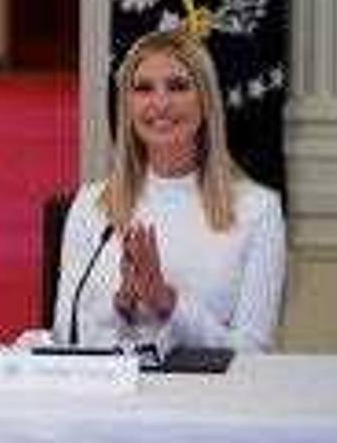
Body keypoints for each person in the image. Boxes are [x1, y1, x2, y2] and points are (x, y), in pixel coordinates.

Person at [51, 28, 285, 353]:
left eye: (177, 87)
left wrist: (169, 304)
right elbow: (65, 338)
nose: (160, 103)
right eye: (144, 89)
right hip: (111, 401)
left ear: (205, 102)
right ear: (127, 107)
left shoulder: (259, 210)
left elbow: (253, 353)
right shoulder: (91, 205)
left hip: (209, 401)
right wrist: (121, 306)